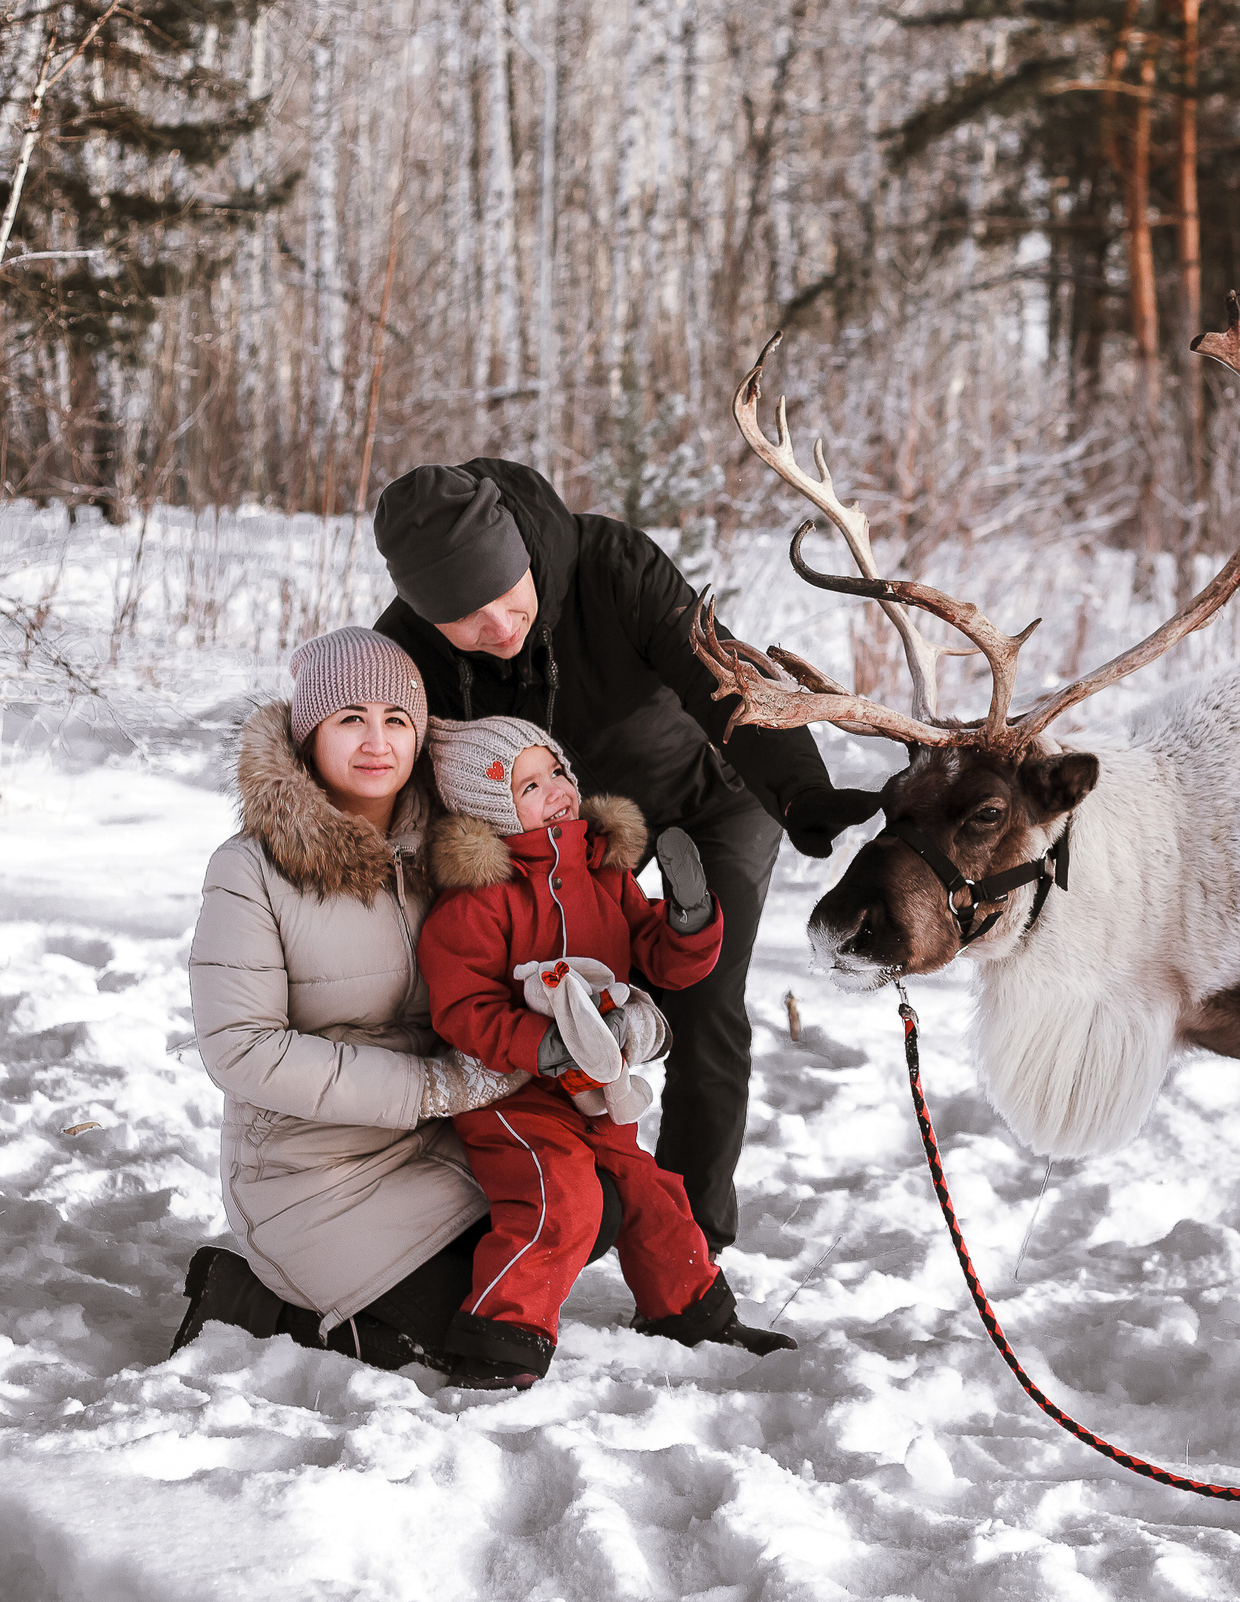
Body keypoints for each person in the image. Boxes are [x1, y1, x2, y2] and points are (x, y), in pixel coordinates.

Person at [371, 460, 882, 1253]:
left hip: (710, 801)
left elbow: (721, 681)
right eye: (467, 619)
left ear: (524, 556)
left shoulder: (611, 565)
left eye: (508, 599)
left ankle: (691, 1247)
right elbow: (379, 764)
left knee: (702, 1003)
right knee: (516, 1010)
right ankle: (528, 1218)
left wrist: (800, 791)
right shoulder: (405, 647)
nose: (499, 628)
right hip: (556, 838)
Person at [172, 627, 548, 1372]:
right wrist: (430, 1085)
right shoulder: (249, 868)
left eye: (396, 720)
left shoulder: (455, 848)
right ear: (310, 733)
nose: (377, 741)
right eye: (350, 718)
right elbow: (240, 1048)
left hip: (443, 1142)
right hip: (311, 1174)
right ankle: (245, 1295)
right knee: (461, 1333)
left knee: (580, 1209)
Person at [417, 714, 795, 1389]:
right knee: (560, 1199)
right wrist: (543, 1043)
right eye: (529, 784)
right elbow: (462, 1009)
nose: (558, 789)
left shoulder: (602, 875)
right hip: (513, 1096)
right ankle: (499, 1339)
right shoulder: (477, 904)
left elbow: (663, 962)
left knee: (656, 1194)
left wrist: (687, 918)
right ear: (489, 809)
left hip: (597, 1090)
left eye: (558, 770)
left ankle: (694, 1315)